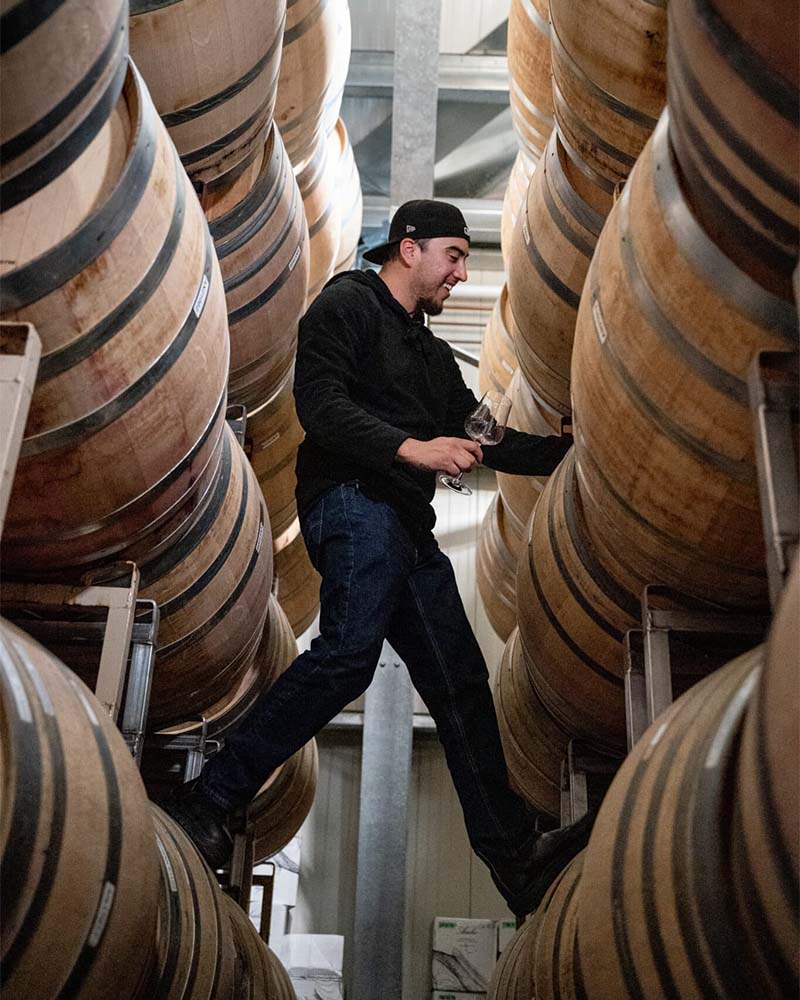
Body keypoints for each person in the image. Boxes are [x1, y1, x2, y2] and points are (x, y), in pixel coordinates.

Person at [164, 199, 593, 917]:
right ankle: (210, 798)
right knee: (346, 655)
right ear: (408, 247)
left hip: (405, 525)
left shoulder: (428, 354)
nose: (461, 272)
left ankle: (515, 856)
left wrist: (566, 449)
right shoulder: (346, 307)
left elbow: (479, 433)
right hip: (353, 502)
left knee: (460, 682)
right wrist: (414, 449)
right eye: (454, 255)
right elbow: (321, 406)